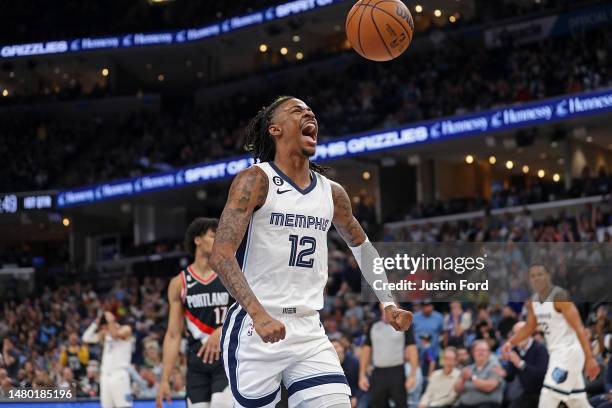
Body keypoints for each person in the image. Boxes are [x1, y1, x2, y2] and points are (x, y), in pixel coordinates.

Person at [210, 96, 412, 408]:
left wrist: (388, 302)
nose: (309, 114)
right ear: (275, 129)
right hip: (255, 328)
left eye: (311, 111)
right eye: (297, 110)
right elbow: (221, 254)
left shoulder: (331, 192)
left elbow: (362, 247)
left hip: (307, 329)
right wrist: (259, 314)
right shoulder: (256, 180)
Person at [156, 217, 233, 408]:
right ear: (197, 240)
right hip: (196, 364)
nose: (218, 240)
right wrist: (164, 379)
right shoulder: (179, 283)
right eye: (213, 236)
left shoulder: (230, 274)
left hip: (225, 360)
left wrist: (222, 329)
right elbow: (173, 335)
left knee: (221, 405)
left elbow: (246, 313)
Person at [502, 264, 600, 408]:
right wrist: (510, 342)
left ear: (548, 276)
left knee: (548, 399)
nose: (536, 279)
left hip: (569, 353)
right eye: (533, 276)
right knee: (578, 403)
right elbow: (529, 327)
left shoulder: (559, 297)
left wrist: (590, 358)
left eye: (540, 274)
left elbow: (580, 329)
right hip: (556, 355)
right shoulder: (533, 302)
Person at [358, 304, 418, 408]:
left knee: (401, 404)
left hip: (397, 371)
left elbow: (412, 349)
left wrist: (413, 375)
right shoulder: (373, 324)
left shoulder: (404, 323)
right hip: (378, 372)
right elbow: (366, 350)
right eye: (384, 309)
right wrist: (362, 375)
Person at [82, 311, 134, 408]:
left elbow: (115, 335)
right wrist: (95, 324)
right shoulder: (105, 334)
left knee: (124, 406)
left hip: (120, 376)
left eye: (103, 325)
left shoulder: (126, 329)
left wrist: (111, 321)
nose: (102, 328)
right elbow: (86, 338)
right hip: (105, 377)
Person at [501, 321, 548, 408]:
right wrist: (504, 373)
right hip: (528, 394)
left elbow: (541, 374)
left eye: (520, 332)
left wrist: (521, 364)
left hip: (544, 393)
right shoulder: (516, 350)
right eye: (515, 333)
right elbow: (511, 376)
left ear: (529, 333)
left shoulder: (540, 348)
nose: (517, 336)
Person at [454, 340, 504, 408]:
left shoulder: (496, 367)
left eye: (483, 350)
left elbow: (489, 387)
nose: (480, 352)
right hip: (464, 404)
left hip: (487, 404)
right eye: (478, 350)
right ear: (473, 353)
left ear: (489, 353)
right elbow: (457, 389)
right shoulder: (468, 368)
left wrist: (471, 378)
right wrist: (463, 379)